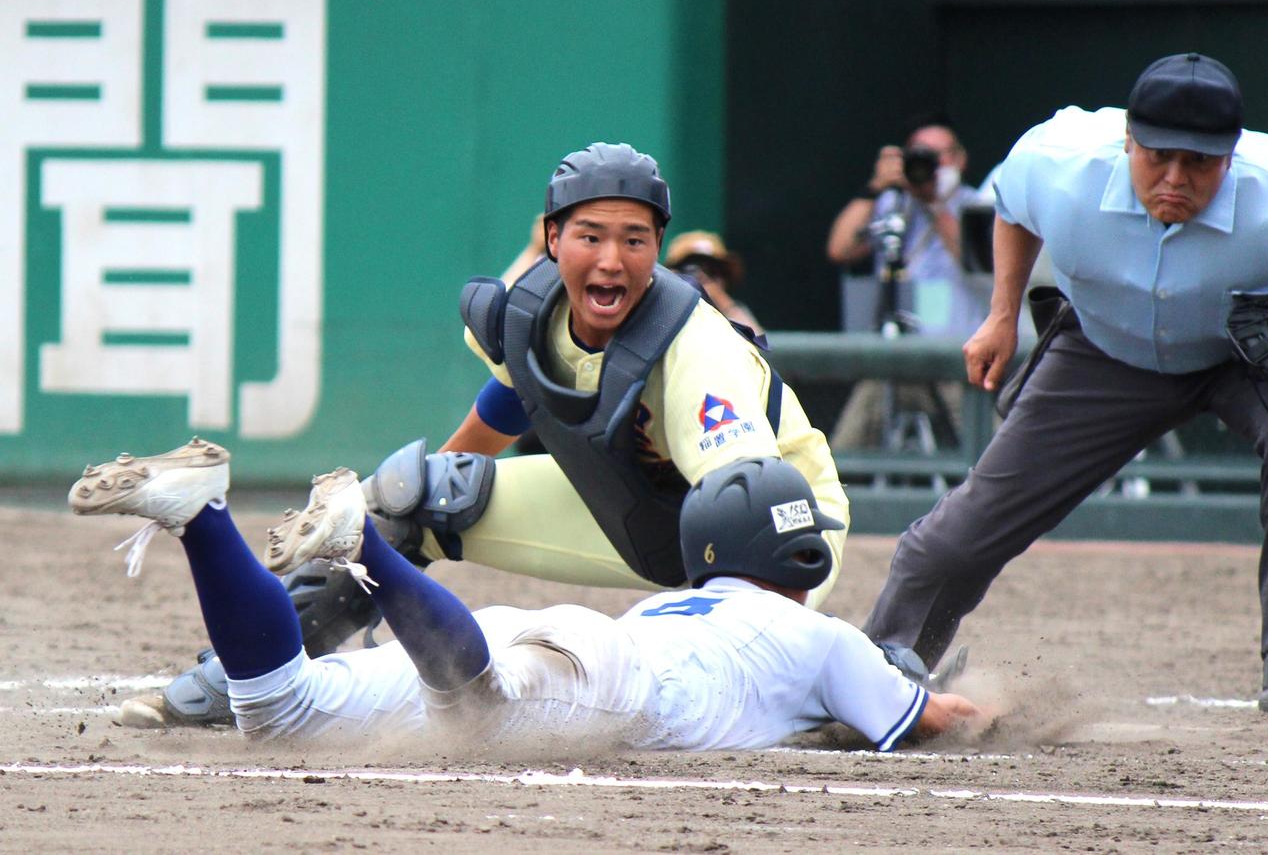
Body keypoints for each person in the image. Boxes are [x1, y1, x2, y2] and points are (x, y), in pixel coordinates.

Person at [122, 142, 852, 727]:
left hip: (779, 545)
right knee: (413, 500)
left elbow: (759, 515)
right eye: (589, 236)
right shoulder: (534, 317)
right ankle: (249, 676)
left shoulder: (698, 352)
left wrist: (794, 660)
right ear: (552, 238)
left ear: (658, 247)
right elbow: (504, 409)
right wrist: (405, 508)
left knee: (727, 695)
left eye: (635, 240)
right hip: (641, 512)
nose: (611, 259)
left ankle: (856, 682)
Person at [863, 53, 1268, 712]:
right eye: (1158, 157)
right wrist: (1002, 316)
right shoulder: (1058, 160)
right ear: (1129, 140)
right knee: (968, 525)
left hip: (1240, 354)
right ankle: (879, 675)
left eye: (1201, 162)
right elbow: (1012, 205)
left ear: (1233, 155)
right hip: (1106, 350)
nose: (1176, 178)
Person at [70, 441, 984, 750]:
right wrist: (989, 711)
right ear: (804, 560)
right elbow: (928, 717)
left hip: (546, 638)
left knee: (279, 712)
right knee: (476, 704)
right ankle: (368, 553)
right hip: (604, 679)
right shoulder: (816, 635)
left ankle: (202, 519)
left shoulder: (677, 603)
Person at [826, 117, 988, 339]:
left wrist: (934, 203)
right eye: (920, 154)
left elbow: (978, 262)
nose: (929, 165)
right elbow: (841, 250)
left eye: (938, 156)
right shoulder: (893, 203)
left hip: (955, 340)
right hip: (897, 338)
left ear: (960, 159)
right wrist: (875, 187)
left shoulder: (974, 204)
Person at [664, 230, 763, 335]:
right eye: (690, 271)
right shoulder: (661, 307)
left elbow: (758, 343)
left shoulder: (730, 309)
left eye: (712, 271)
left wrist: (723, 302)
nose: (702, 278)